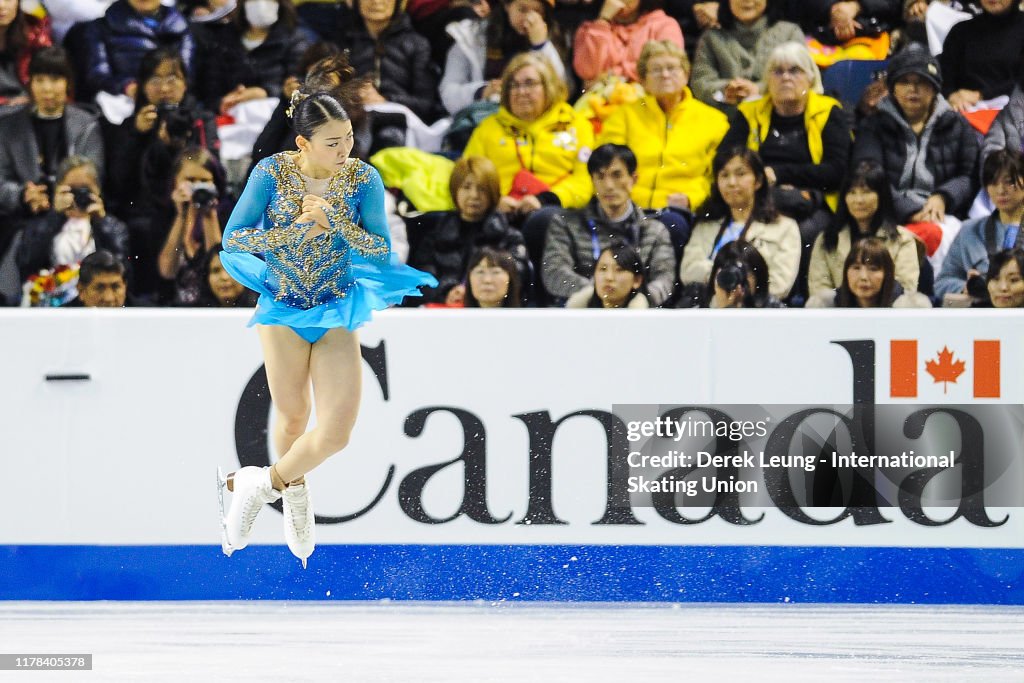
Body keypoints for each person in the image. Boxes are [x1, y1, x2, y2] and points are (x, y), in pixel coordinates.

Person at [217, 86, 436, 567]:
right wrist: (296, 229)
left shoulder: (362, 179)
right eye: (333, 142)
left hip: (337, 308)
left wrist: (336, 222)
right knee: (294, 418)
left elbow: (381, 249)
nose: (345, 150)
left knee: (335, 433)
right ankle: (295, 501)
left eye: (349, 137)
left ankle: (258, 484)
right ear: (303, 144)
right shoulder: (271, 172)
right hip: (283, 307)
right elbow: (234, 238)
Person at [718, 41, 851, 300]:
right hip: (756, 198)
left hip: (816, 202)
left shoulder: (828, 112)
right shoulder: (750, 113)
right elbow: (723, 160)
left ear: (810, 77)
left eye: (795, 70)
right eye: (777, 71)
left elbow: (837, 171)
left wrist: (778, 174)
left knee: (805, 232)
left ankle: (793, 299)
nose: (786, 77)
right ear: (767, 78)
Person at [851, 43, 979, 270]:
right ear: (892, 88)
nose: (913, 89)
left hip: (939, 213)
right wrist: (909, 211)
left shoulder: (956, 124)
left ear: (935, 88)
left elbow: (969, 176)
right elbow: (868, 176)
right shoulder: (874, 125)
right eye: (905, 82)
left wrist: (943, 196)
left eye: (922, 82)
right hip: (887, 215)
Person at [597, 40, 729, 253]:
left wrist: (691, 198)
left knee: (670, 225)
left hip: (680, 210)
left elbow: (717, 176)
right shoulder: (624, 116)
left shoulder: (714, 121)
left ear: (686, 75)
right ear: (644, 80)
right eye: (656, 70)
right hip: (628, 206)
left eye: (672, 68)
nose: (665, 75)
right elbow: (604, 164)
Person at [0, 47, 104, 266]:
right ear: (30, 83)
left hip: (75, 212)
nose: (47, 88)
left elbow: (94, 175)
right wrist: (23, 195)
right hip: (22, 216)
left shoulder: (87, 124)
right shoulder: (8, 126)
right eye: (40, 80)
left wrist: (65, 197)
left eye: (55, 79)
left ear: (67, 82)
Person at [542, 143, 676, 307]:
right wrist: (599, 291)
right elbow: (554, 273)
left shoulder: (653, 230)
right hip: (582, 310)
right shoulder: (566, 224)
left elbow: (665, 279)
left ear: (633, 179)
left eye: (617, 175)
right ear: (592, 181)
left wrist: (639, 298)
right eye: (600, 176)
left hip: (636, 314)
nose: (608, 185)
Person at [680, 146, 800, 300]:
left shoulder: (784, 227)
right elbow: (688, 272)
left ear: (758, 181)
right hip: (710, 308)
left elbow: (780, 285)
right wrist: (737, 277)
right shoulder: (706, 224)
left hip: (758, 313)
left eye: (740, 174)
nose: (731, 182)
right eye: (724, 175)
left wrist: (728, 281)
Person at [408, 156, 529, 305]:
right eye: (466, 187)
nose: (474, 195)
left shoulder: (510, 237)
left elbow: (518, 278)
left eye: (482, 189)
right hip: (442, 312)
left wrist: (472, 292)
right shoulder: (435, 236)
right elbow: (421, 278)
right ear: (455, 190)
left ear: (493, 193)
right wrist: (447, 291)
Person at [808, 160, 921, 297]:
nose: (859, 200)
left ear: (881, 196)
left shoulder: (902, 239)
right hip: (838, 315)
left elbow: (906, 290)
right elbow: (820, 292)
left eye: (866, 192)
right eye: (852, 192)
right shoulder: (827, 239)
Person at [439, 0, 570, 116]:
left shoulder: (555, 38)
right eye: (522, 9)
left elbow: (560, 92)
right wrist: (481, 91)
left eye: (537, 12)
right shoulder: (470, 37)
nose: (528, 18)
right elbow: (448, 93)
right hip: (483, 119)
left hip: (534, 121)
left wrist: (541, 46)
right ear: (507, 5)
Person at [15, 156, 129, 285]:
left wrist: (102, 224)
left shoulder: (113, 228)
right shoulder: (39, 226)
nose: (78, 196)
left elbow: (123, 272)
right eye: (72, 190)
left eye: (85, 190)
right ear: (57, 190)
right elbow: (27, 267)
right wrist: (55, 217)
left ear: (98, 190)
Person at [190, 0, 315, 113]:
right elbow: (208, 89)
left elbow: (299, 85)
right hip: (229, 118)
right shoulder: (222, 40)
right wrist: (223, 102)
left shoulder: (295, 39)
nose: (261, 3)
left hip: (278, 116)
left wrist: (264, 92)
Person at [935, 149, 1024, 300]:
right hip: (983, 314)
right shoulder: (970, 230)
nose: (1000, 190)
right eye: (993, 183)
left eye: (1009, 182)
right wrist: (967, 287)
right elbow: (941, 283)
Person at [689, 0, 803, 108]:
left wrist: (759, 89)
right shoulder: (710, 38)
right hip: (725, 119)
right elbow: (701, 83)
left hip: (779, 117)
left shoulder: (790, 33)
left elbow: (802, 79)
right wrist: (727, 90)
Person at [157, 147, 228, 306]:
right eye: (190, 180)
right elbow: (167, 271)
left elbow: (219, 268)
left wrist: (210, 216)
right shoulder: (163, 215)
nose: (198, 187)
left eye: (204, 181)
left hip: (214, 305)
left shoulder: (227, 215)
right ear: (176, 181)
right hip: (173, 306)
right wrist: (180, 216)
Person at [82, 0, 194, 100]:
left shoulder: (181, 26)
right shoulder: (102, 27)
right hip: (121, 103)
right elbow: (98, 73)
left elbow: (187, 71)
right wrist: (127, 86)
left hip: (173, 99)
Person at [939, 0, 1024, 113]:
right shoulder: (960, 31)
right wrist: (952, 96)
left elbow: (1021, 82)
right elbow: (945, 79)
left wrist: (980, 95)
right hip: (965, 114)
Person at [572, 0, 683, 86]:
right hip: (598, 105)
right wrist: (603, 20)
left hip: (645, 102)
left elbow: (666, 67)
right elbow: (587, 72)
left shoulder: (664, 25)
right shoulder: (589, 29)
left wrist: (612, 76)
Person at [806, 237, 932, 308]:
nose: (863, 277)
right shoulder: (824, 307)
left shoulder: (910, 309)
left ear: (887, 274)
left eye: (873, 269)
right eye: (856, 268)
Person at [691, 238, 781, 308]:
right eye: (728, 273)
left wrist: (730, 309)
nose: (736, 281)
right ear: (716, 275)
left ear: (758, 277)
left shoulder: (773, 311)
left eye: (744, 272)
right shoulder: (698, 303)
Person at [0, 0, 51, 113]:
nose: (1, 5)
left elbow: (52, 75)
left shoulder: (35, 33)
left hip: (30, 108)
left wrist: (34, 98)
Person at [566, 240, 649, 308]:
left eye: (619, 270)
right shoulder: (574, 314)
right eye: (603, 269)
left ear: (637, 280)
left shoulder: (648, 320)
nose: (609, 277)